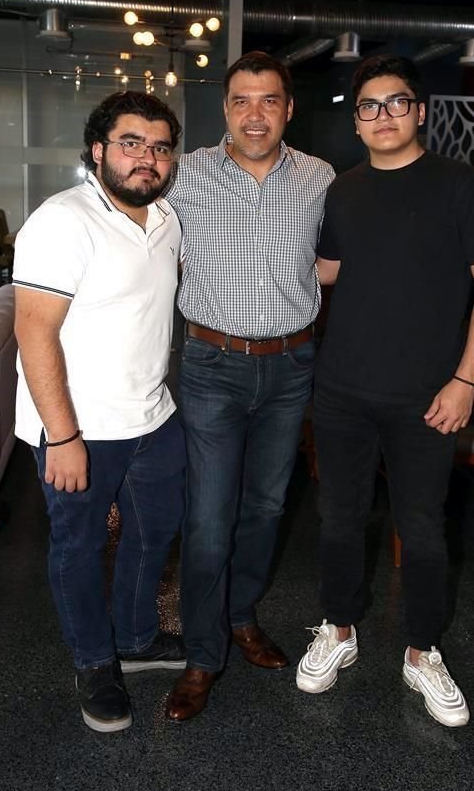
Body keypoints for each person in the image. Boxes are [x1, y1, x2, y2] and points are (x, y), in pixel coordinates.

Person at [296, 54, 474, 728]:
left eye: (396, 102)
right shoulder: (343, 190)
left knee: (421, 527)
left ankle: (422, 650)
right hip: (341, 388)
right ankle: (339, 627)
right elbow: (328, 270)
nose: (383, 114)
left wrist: (466, 379)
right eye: (370, 105)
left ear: (419, 111)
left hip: (428, 395)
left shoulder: (461, 186)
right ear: (357, 121)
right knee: (338, 517)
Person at [165, 51, 335, 721]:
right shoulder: (186, 175)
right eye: (241, 100)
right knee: (209, 518)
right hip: (211, 364)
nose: (254, 114)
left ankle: (240, 615)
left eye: (268, 100)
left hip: (291, 366)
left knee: (265, 507)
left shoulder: (319, 177)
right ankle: (202, 654)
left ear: (289, 108)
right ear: (225, 109)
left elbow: (334, 261)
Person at [13, 91, 187, 733]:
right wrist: (63, 437)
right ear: (98, 150)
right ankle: (93, 661)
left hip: (153, 418)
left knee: (153, 533)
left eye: (160, 147)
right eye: (131, 143)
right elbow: (34, 332)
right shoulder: (63, 221)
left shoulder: (165, 218)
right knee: (80, 546)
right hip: (80, 426)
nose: (147, 158)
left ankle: (136, 639)